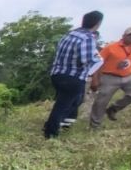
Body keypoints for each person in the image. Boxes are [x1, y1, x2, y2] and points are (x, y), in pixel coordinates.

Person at [43, 10, 103, 138]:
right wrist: (98, 60)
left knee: (75, 100)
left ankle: (59, 123)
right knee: (63, 104)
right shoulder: (88, 38)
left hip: (57, 74)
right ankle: (50, 132)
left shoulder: (69, 34)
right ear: (98, 23)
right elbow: (86, 59)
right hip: (73, 76)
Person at [89, 27, 131, 127]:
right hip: (110, 76)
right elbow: (98, 63)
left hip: (130, 76)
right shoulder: (111, 47)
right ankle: (95, 125)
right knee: (101, 100)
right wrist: (95, 79)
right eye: (130, 35)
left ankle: (113, 109)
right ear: (124, 36)